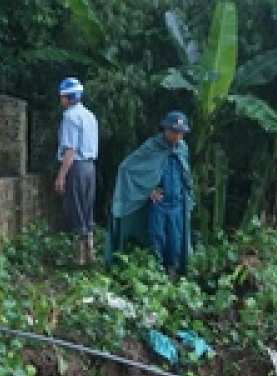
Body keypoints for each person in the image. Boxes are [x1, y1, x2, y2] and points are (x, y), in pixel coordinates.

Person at [108, 111, 194, 274]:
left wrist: (188, 199)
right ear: (165, 129)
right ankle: (156, 275)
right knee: (157, 240)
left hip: (177, 205)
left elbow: (186, 175)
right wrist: (148, 190)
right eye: (174, 132)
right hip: (159, 205)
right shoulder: (152, 146)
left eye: (181, 133)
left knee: (176, 243)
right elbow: (127, 168)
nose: (178, 136)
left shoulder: (182, 149)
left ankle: (172, 276)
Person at [54, 77, 99, 265]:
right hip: (90, 167)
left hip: (77, 167)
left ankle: (79, 256)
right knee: (86, 208)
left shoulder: (70, 117)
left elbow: (70, 149)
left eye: (61, 96)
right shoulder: (89, 115)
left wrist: (61, 176)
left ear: (67, 97)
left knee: (76, 208)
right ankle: (90, 251)